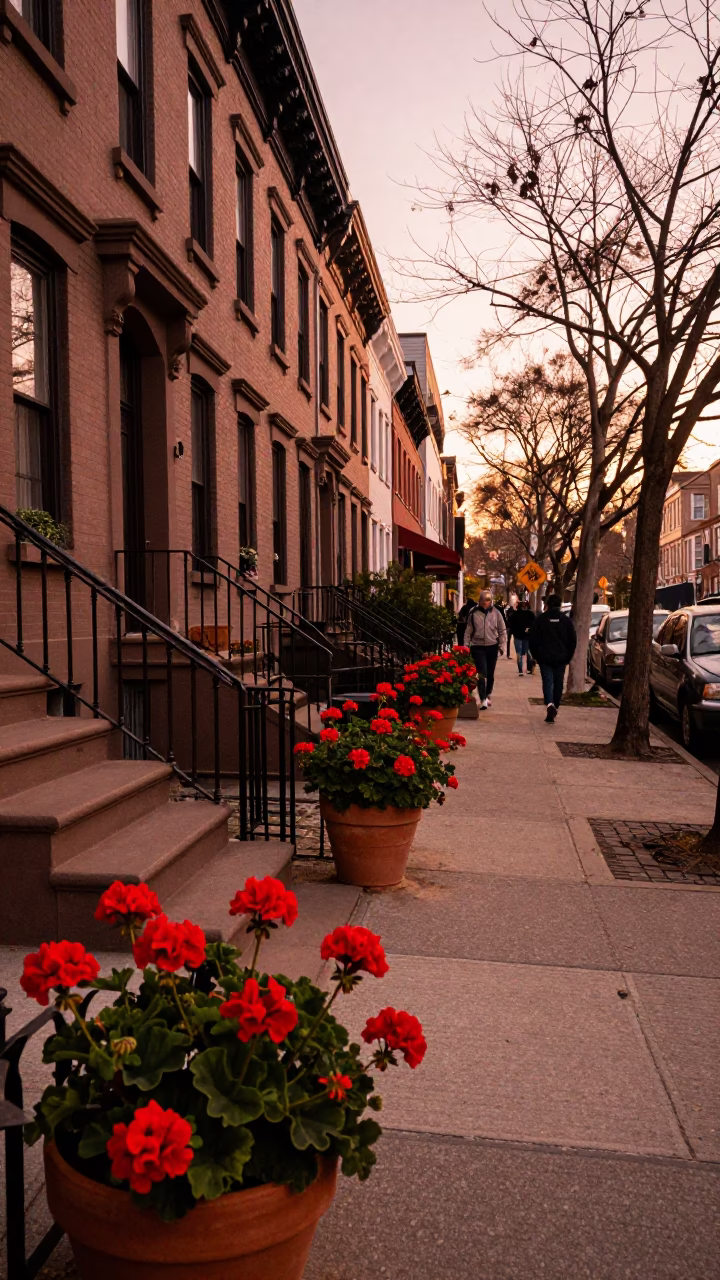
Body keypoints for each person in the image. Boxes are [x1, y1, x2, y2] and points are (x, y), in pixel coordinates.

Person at [528, 594, 577, 722]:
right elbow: (572, 641)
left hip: (545, 658)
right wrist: (568, 657)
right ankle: (555, 705)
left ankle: (549, 703)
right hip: (561, 658)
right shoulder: (566, 621)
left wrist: (536, 655)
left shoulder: (541, 619)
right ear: (560, 605)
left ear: (547, 605)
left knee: (547, 681)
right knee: (559, 683)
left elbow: (532, 639)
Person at [464, 590, 507, 709]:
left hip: (492, 646)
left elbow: (502, 631)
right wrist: (466, 646)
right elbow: (468, 631)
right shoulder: (473, 613)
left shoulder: (497, 613)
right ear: (479, 601)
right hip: (477, 646)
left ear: (491, 601)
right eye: (482, 601)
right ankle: (482, 698)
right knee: (481, 673)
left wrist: (502, 646)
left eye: (487, 601)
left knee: (490, 673)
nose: (485, 603)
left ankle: (488, 694)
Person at [508, 598, 536, 676]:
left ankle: (520, 670)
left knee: (519, 653)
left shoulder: (514, 614)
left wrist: (513, 632)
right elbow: (534, 623)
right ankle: (530, 664)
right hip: (527, 636)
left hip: (517, 636)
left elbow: (510, 623)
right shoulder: (530, 614)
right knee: (526, 652)